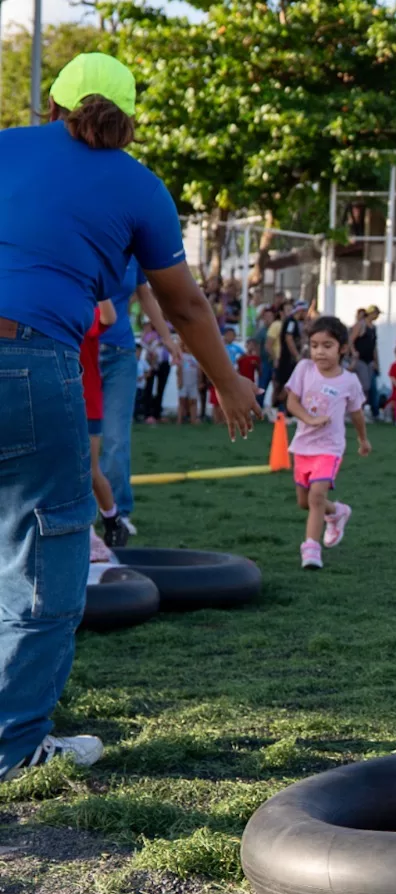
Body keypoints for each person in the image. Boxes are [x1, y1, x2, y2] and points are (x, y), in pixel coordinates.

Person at [0, 52, 258, 783]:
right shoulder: (139, 185)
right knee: (46, 547)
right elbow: (186, 305)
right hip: (31, 360)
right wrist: (229, 385)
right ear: (130, 120)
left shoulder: (7, 145)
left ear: (53, 104)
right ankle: (13, 747)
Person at [285, 316, 370, 569]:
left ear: (342, 348)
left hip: (329, 448)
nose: (319, 352)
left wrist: (363, 439)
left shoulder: (349, 381)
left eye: (327, 345)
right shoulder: (304, 369)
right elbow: (291, 402)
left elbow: (356, 414)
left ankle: (311, 549)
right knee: (304, 502)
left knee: (316, 496)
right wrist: (309, 420)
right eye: (314, 345)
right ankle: (337, 512)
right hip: (303, 447)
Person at [99, 260, 175, 538]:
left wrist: (167, 338)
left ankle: (117, 514)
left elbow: (145, 295)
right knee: (76, 439)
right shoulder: (80, 241)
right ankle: (72, 513)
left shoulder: (132, 252)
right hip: (79, 350)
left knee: (116, 439)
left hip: (120, 354)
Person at [79, 301, 123, 560]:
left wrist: (100, 290)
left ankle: (110, 522)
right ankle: (98, 526)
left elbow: (109, 317)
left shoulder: (84, 313)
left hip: (87, 404)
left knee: (89, 471)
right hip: (59, 401)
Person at [350, 306, 379, 417]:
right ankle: (357, 410)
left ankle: (363, 410)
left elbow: (374, 346)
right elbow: (351, 339)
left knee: (368, 387)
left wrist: (376, 361)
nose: (377, 316)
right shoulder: (361, 325)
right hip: (360, 360)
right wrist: (354, 352)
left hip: (369, 360)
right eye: (375, 314)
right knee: (364, 385)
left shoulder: (373, 328)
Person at [175, 338, 201, 424]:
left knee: (193, 401)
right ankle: (179, 420)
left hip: (194, 383)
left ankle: (193, 419)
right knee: (182, 401)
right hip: (184, 382)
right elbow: (179, 370)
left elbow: (199, 371)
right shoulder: (182, 356)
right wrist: (179, 381)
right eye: (186, 346)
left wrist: (200, 382)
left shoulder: (196, 357)